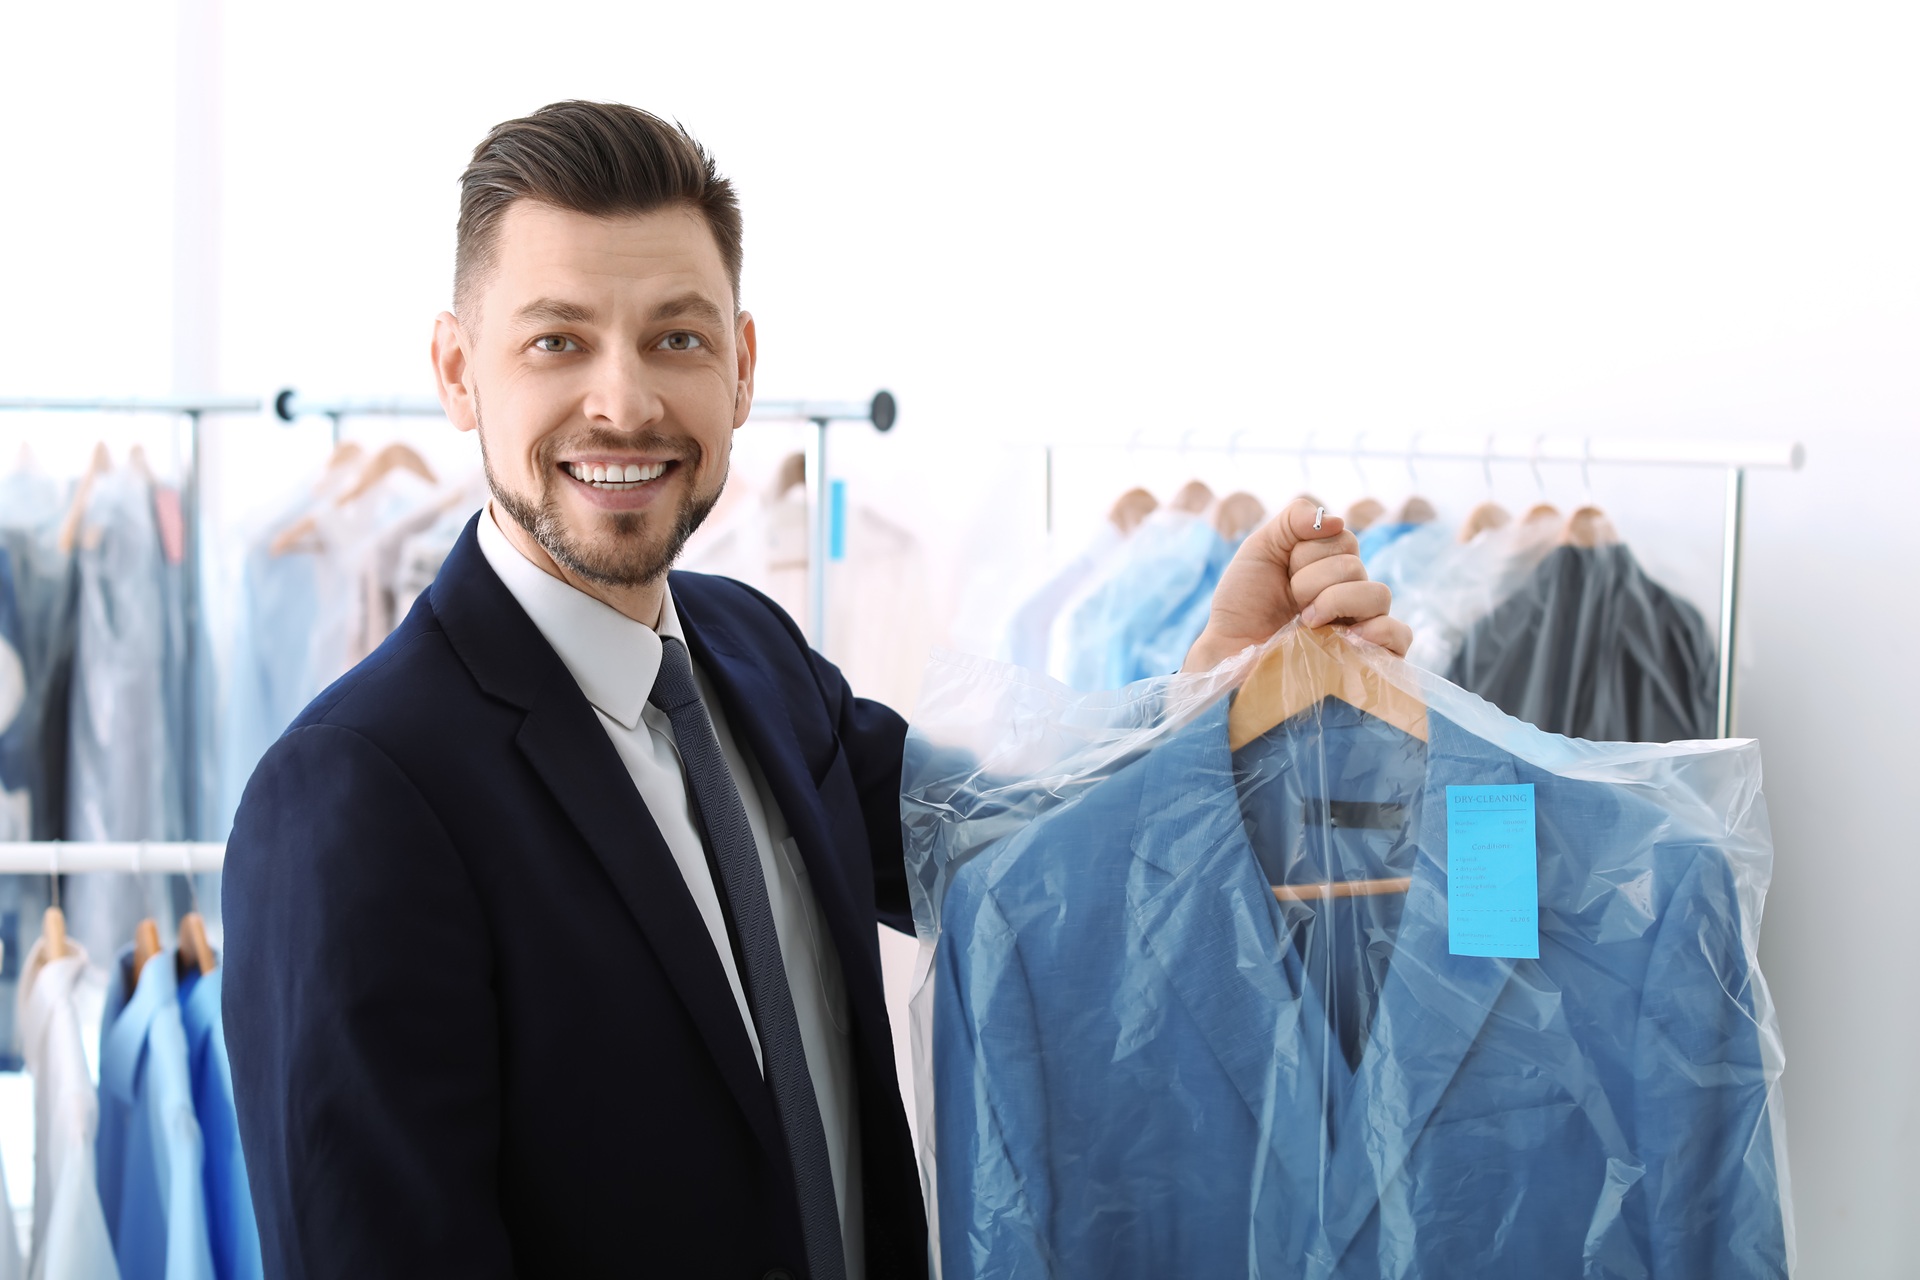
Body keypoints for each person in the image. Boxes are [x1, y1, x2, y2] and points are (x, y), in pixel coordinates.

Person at [220, 100, 1411, 1280]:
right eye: (557, 341)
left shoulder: (750, 656)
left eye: (675, 339)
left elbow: (1013, 864)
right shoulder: (355, 793)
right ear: (455, 371)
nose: (625, 402)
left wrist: (1215, 685)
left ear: (740, 368)